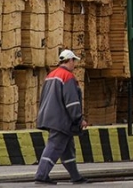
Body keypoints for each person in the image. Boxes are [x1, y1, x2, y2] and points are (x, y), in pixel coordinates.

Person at [34, 49, 89, 185]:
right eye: (73, 61)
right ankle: (41, 175)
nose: (74, 64)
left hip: (49, 116)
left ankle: (75, 176)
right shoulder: (67, 77)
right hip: (61, 120)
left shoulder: (51, 75)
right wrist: (79, 119)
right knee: (54, 146)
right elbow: (72, 101)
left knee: (67, 149)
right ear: (69, 61)